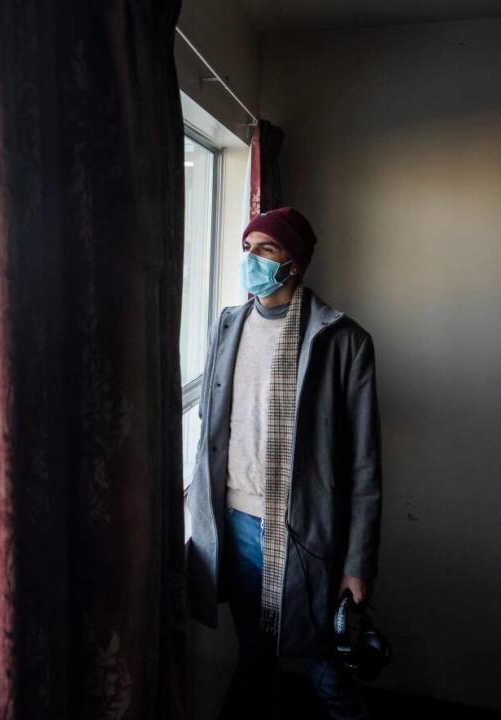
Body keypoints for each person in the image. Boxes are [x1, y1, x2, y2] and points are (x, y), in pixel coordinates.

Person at [185, 207, 382, 719]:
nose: (250, 259)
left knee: (323, 668)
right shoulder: (228, 325)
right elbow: (211, 423)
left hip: (303, 533)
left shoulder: (343, 341)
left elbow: (364, 467)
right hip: (234, 524)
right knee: (255, 657)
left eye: (265, 250)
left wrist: (358, 565)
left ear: (294, 263)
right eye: (247, 248)